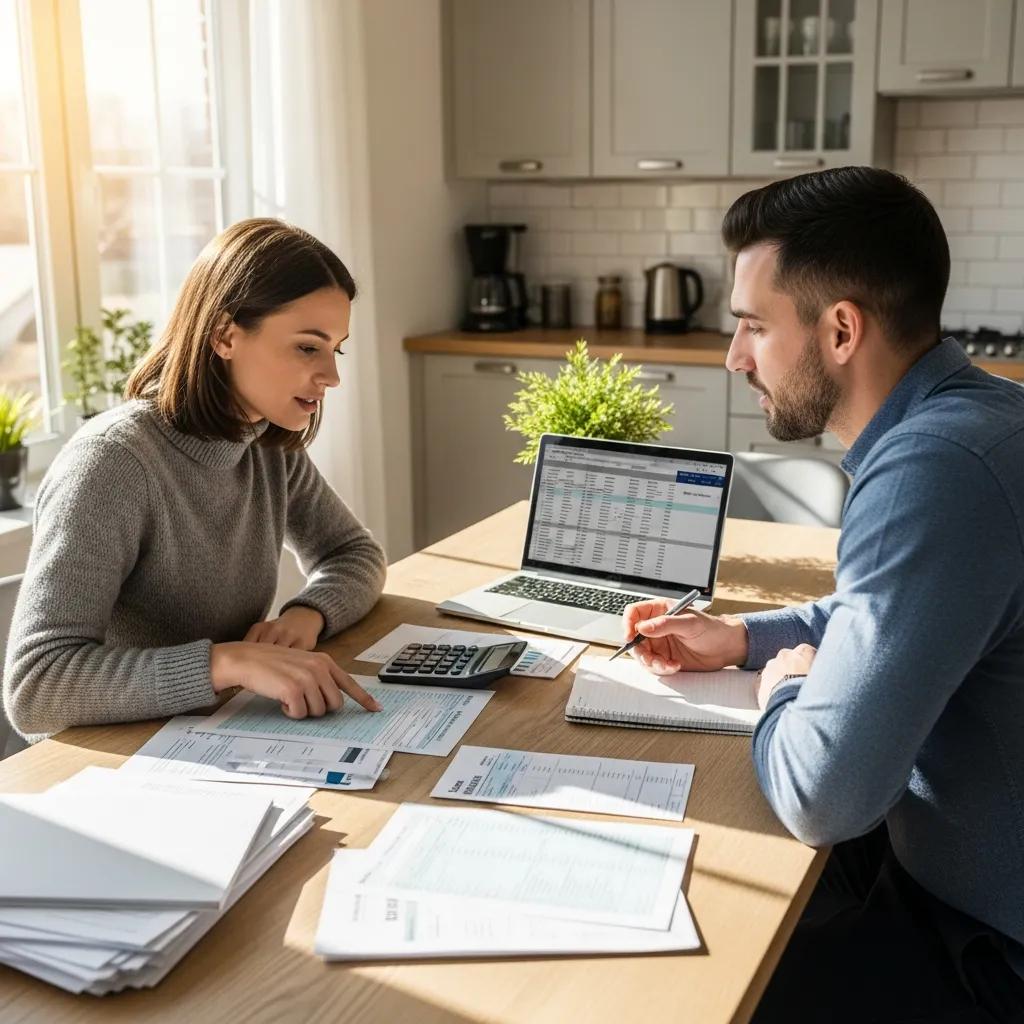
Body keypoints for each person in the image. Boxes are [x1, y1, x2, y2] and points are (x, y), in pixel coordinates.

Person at [624, 167, 1024, 1022]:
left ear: (841, 329)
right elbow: (896, 616)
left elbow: (823, 797)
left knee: (680, 988)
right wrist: (741, 638)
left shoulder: (936, 468)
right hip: (943, 876)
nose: (735, 357)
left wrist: (787, 690)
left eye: (753, 326)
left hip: (984, 949)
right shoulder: (979, 421)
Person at [3, 218, 386, 742]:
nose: (332, 376)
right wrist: (226, 664)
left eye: (335, 349)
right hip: (112, 761)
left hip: (216, 734)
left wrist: (306, 615)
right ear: (225, 335)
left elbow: (353, 554)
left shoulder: (264, 442)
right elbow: (36, 688)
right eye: (306, 347)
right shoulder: (112, 465)